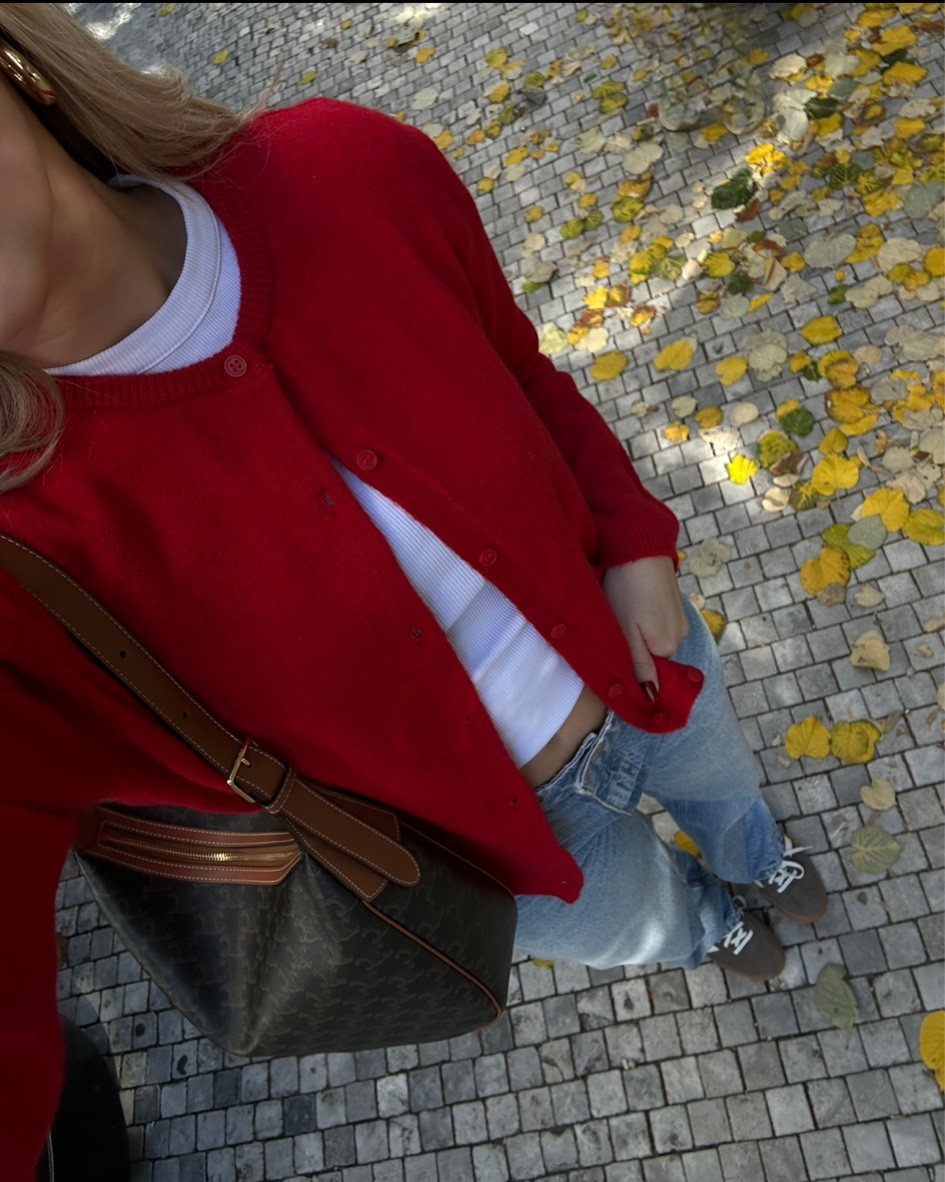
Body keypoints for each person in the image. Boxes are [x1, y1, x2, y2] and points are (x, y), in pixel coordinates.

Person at [0, 5, 827, 1177]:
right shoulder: (18, 573)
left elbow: (520, 366)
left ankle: (753, 860)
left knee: (730, 793)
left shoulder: (344, 168)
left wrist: (638, 544)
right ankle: (711, 927)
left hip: (650, 664)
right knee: (641, 922)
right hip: (502, 855)